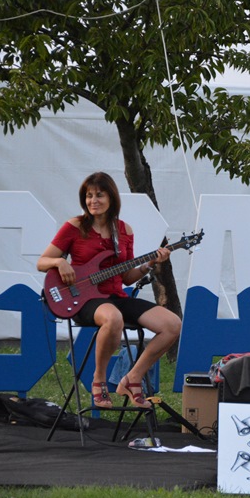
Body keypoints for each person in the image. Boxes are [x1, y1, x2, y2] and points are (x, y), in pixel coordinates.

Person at [37, 172, 182, 409]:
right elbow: (42, 262)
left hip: (115, 296)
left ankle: (132, 378)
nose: (93, 201)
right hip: (84, 300)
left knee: (172, 324)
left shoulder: (125, 231)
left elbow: (126, 277)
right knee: (113, 317)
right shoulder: (75, 226)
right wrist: (59, 262)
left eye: (99, 195)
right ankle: (99, 379)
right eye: (89, 196)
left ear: (111, 198)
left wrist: (149, 264)